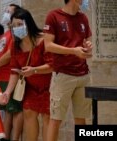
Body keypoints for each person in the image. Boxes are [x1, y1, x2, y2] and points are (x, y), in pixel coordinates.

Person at [43, 0, 92, 141]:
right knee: (56, 119)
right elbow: (48, 45)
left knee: (81, 119)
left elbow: (86, 41)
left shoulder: (83, 18)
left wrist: (87, 47)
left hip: (83, 74)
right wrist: (73, 51)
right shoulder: (54, 16)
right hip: (63, 75)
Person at [4, 8, 53, 141]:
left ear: (28, 23)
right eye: (13, 26)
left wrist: (34, 70)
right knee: (28, 113)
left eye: (19, 24)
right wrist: (7, 93)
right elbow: (14, 70)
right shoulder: (15, 46)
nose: (16, 28)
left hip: (50, 87)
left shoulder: (43, 41)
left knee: (48, 116)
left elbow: (52, 65)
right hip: (31, 87)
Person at [0, 4, 23, 141]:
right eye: (5, 11)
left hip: (8, 75)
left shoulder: (16, 33)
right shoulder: (6, 33)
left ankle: (14, 138)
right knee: (7, 110)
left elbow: (10, 54)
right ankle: (4, 136)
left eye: (8, 12)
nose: (5, 14)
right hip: (0, 76)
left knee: (14, 109)